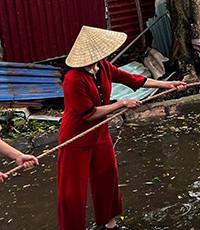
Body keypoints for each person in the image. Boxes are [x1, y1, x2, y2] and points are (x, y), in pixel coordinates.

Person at [58, 25, 186, 230]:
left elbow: (134, 80)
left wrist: (168, 85)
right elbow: (89, 114)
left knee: (107, 176)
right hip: (76, 137)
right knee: (73, 190)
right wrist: (121, 103)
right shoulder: (73, 79)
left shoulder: (104, 66)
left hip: (100, 133)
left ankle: (110, 223)